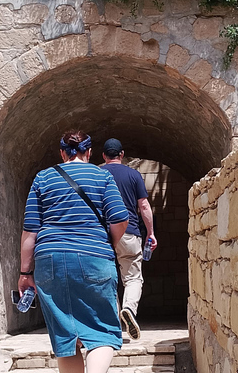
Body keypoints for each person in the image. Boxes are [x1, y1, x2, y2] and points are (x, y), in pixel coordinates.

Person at [19, 130, 129, 373]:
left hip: (50, 259)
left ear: (62, 153)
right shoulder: (102, 177)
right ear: (89, 152)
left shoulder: (43, 178)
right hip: (94, 256)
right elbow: (121, 219)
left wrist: (25, 273)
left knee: (66, 336)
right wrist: (106, 244)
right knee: (102, 333)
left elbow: (30, 232)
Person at [100, 138, 157, 341]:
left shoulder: (97, 174)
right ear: (121, 154)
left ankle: (112, 324)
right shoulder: (133, 175)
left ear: (104, 156)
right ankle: (129, 310)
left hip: (102, 235)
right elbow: (143, 206)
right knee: (133, 277)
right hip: (129, 232)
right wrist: (150, 232)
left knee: (106, 279)